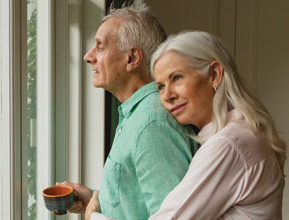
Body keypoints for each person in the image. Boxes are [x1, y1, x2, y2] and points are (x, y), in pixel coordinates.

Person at [87, 31, 287, 220]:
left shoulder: (229, 144)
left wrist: (94, 217)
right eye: (161, 86)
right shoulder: (242, 133)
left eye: (177, 78)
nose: (167, 95)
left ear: (215, 75)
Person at [56, 5, 199, 220]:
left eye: (100, 47)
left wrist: (94, 217)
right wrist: (95, 200)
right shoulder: (136, 115)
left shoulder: (151, 122)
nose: (88, 56)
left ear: (132, 59)